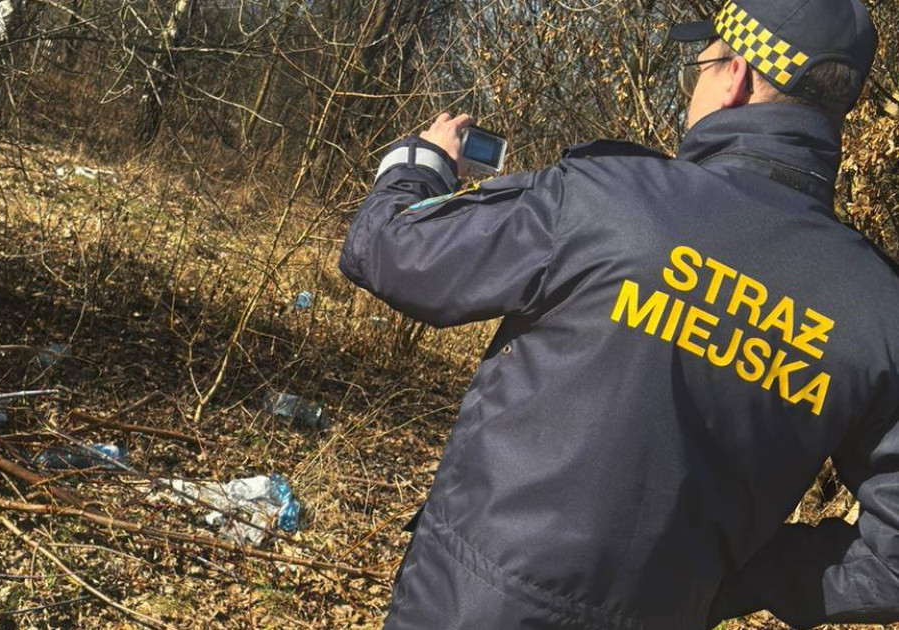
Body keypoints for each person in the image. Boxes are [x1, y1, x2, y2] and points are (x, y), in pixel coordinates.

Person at [338, 0, 891, 627]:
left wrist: (421, 165)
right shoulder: (877, 307)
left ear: (735, 76)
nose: (693, 88)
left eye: (698, 68)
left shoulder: (604, 199)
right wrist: (734, 579)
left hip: (471, 608)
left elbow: (389, 250)